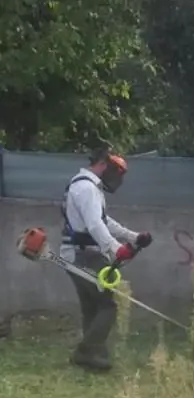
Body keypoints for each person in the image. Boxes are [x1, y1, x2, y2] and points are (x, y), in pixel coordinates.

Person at [60, 147, 153, 372]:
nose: (116, 178)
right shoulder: (86, 188)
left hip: (79, 253)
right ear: (102, 164)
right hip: (83, 254)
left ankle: (95, 354)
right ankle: (85, 352)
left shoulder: (87, 186)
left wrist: (133, 237)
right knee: (107, 306)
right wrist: (115, 248)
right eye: (115, 171)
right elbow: (94, 225)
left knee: (91, 307)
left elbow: (104, 220)